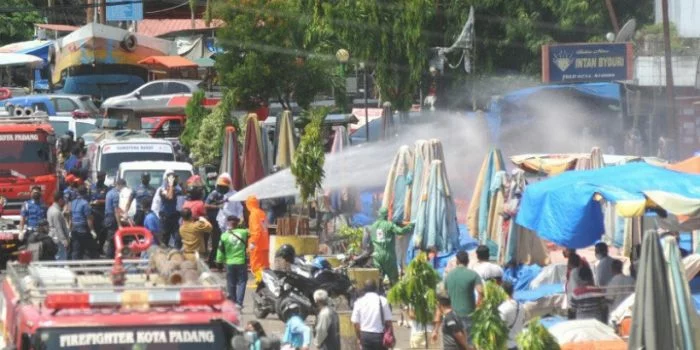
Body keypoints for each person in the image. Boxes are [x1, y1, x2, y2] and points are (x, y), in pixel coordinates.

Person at [435, 250, 482, 343]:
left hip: (451, 315)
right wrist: (478, 306)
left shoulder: (449, 276)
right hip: (468, 314)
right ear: (468, 261)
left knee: (453, 343)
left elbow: (442, 295)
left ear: (457, 261)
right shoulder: (473, 275)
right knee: (468, 343)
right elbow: (481, 292)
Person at [366, 207, 414, 284]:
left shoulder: (373, 226)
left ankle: (378, 293)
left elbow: (369, 243)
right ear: (387, 215)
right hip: (389, 256)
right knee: (394, 281)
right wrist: (411, 226)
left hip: (377, 256)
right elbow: (400, 231)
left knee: (378, 280)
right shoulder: (389, 225)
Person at [217, 215, 249, 307]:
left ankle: (232, 303)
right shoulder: (244, 232)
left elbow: (220, 251)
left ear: (228, 223)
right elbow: (251, 233)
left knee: (231, 283)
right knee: (242, 282)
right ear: (237, 223)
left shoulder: (224, 236)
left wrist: (219, 263)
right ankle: (239, 304)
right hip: (241, 262)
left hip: (229, 263)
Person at [351, 280, 393, 350]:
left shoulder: (359, 302)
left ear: (364, 289)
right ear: (376, 288)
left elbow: (355, 323)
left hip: (365, 335)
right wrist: (392, 335)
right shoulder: (383, 300)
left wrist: (359, 338)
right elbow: (388, 321)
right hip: (379, 335)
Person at [205, 175, 228, 268]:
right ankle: (212, 261)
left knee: (220, 241)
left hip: (220, 221)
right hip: (214, 221)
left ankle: (217, 261)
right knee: (216, 242)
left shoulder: (224, 194)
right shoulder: (214, 193)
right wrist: (218, 207)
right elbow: (206, 205)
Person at [69, 185, 97, 260]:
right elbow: (89, 219)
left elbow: (70, 217)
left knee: (76, 249)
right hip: (83, 229)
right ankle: (90, 268)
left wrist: (70, 228)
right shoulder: (85, 204)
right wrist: (92, 230)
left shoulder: (73, 202)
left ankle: (75, 268)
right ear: (86, 193)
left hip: (74, 228)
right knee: (89, 249)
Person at [246, 195, 269, 283]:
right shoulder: (261, 212)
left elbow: (256, 231)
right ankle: (264, 282)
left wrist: (252, 243)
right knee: (264, 264)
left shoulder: (253, 214)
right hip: (264, 242)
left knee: (256, 264)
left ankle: (259, 282)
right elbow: (263, 228)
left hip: (257, 244)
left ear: (249, 204)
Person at [157, 170, 183, 248]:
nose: (174, 179)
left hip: (175, 217)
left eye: (174, 178)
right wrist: (170, 184)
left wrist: (180, 185)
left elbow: (184, 195)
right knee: (164, 240)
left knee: (178, 239)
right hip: (165, 218)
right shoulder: (162, 190)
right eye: (172, 178)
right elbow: (170, 197)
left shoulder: (177, 189)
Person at [498, 281, 525, 350]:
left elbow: (500, 329)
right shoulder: (521, 305)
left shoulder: (502, 308)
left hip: (508, 344)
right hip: (519, 342)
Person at [104, 179, 125, 258]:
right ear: (120, 185)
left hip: (108, 217)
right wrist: (119, 224)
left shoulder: (109, 193)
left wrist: (123, 213)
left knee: (112, 239)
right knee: (113, 239)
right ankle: (109, 258)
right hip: (112, 218)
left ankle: (111, 257)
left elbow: (116, 207)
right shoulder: (116, 194)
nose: (122, 189)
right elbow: (115, 210)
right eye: (122, 187)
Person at [89, 171, 109, 250]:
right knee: (94, 231)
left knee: (103, 231)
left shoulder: (106, 188)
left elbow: (108, 200)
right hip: (93, 213)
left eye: (103, 177)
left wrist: (100, 201)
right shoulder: (92, 187)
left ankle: (100, 248)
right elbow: (88, 198)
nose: (101, 179)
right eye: (100, 177)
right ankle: (94, 249)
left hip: (102, 212)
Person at [47, 191, 70, 260]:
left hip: (53, 236)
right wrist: (64, 240)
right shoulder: (56, 212)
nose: (64, 202)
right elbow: (58, 227)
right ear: (60, 200)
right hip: (58, 239)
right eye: (63, 200)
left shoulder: (50, 209)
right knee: (61, 257)